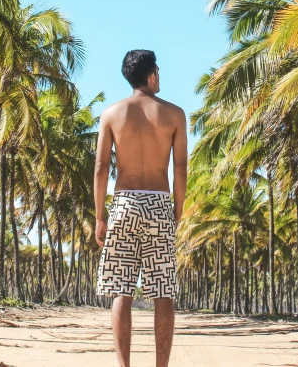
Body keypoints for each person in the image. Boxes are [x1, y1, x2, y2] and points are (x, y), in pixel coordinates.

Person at [94, 49, 188, 367]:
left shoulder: (111, 114)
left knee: (122, 289)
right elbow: (181, 169)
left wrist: (99, 217)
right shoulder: (175, 114)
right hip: (160, 203)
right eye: (158, 71)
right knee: (163, 291)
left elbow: (101, 168)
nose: (159, 77)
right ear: (151, 75)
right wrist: (177, 208)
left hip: (123, 204)